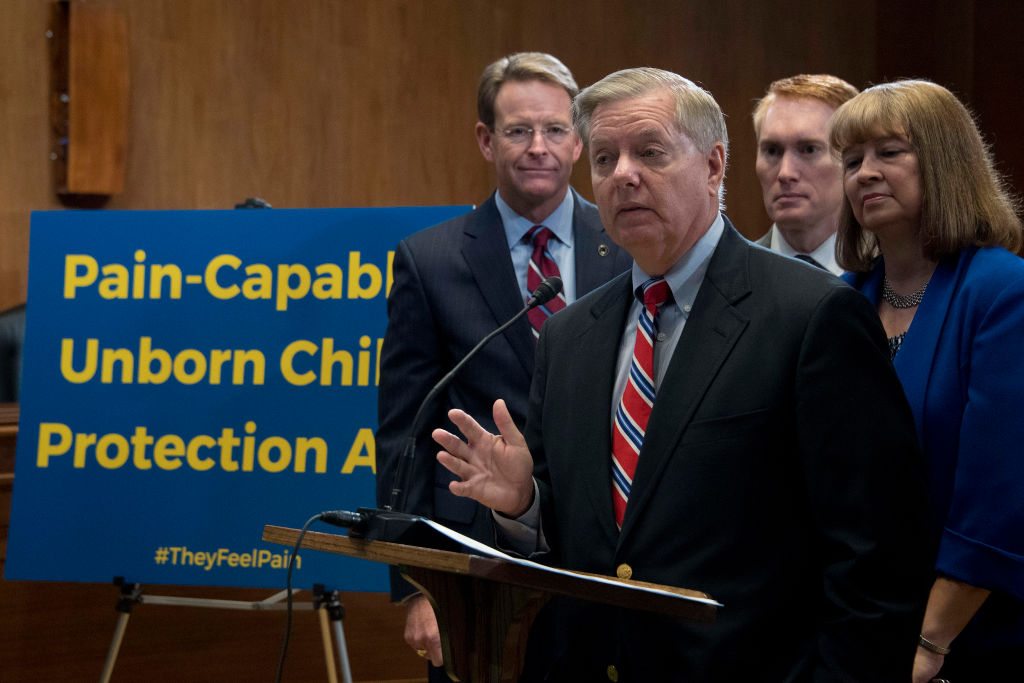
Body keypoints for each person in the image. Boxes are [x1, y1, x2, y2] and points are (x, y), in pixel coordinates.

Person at [433, 67, 934, 681]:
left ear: (715, 166)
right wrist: (522, 505)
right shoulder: (567, 334)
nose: (622, 175)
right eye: (604, 158)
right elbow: (573, 545)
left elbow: (876, 557)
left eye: (650, 152)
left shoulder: (812, 316)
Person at [374, 52, 631, 673]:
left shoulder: (630, 244)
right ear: (487, 141)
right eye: (519, 130)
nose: (537, 146)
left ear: (578, 142)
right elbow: (403, 435)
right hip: (475, 561)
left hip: (605, 551)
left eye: (555, 129)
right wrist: (419, 586)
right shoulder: (429, 260)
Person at [831, 79, 1024, 683]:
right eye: (852, 159)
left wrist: (929, 643)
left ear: (944, 161)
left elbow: (998, 495)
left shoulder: (1000, 290)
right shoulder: (843, 300)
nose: (865, 173)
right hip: (856, 624)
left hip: (967, 640)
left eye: (890, 152)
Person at [752, 74, 858, 274]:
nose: (785, 173)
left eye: (809, 150)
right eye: (772, 151)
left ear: (852, 161)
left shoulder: (893, 276)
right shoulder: (727, 276)